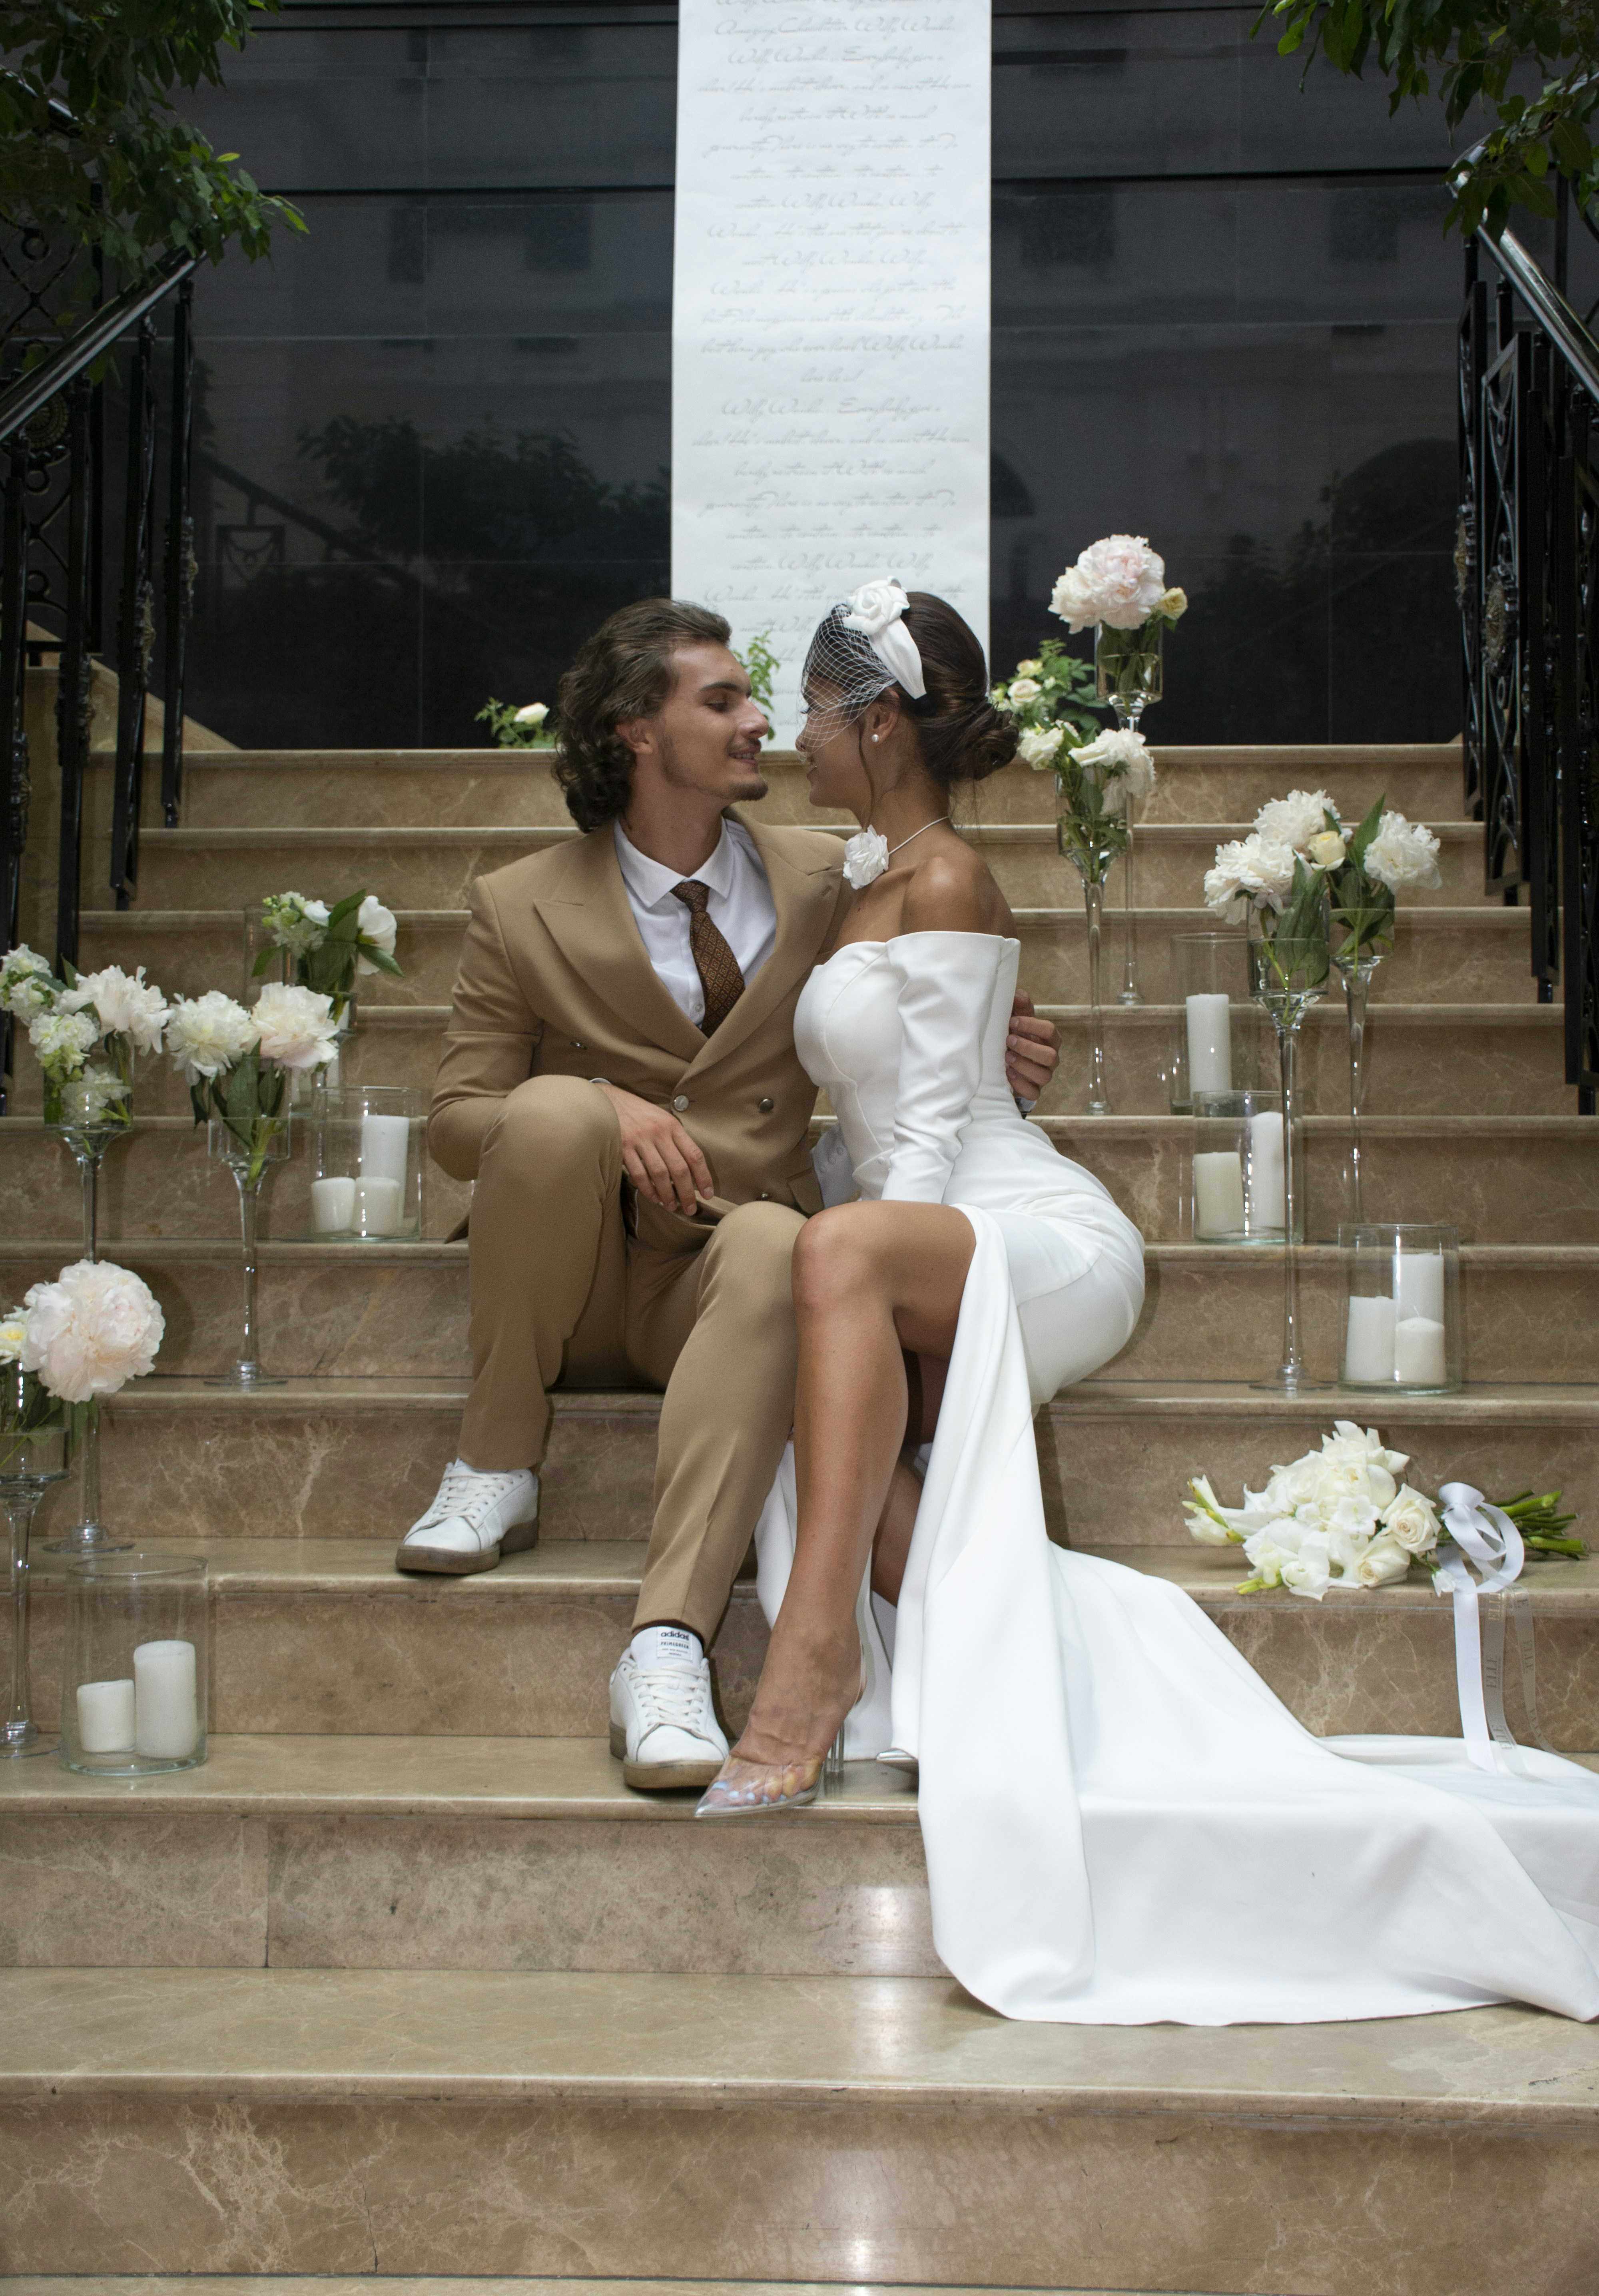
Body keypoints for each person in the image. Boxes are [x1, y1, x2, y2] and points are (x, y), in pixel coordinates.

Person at [695, 576, 1599, 2034]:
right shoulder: (853, 878)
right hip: (905, 1225)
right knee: (817, 1367)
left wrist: (852, 1267)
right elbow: (852, 1120)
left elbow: (920, 1149)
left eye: (808, 705)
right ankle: (1069, 1646)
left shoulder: (942, 881)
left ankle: (810, 1664)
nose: (795, 732)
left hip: (1027, 1228)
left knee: (835, 1280)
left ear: (876, 718)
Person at [404, 596, 1060, 1793]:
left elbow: (913, 1011)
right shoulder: (517, 901)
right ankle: (496, 1459)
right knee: (552, 1109)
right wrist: (608, 1105)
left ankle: (665, 1646)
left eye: (769, 701)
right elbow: (452, 1127)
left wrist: (993, 1053)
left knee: (776, 1240)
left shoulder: (830, 877)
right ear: (634, 733)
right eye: (722, 701)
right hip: (583, 1278)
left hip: (723, 1288)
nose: (761, 721)